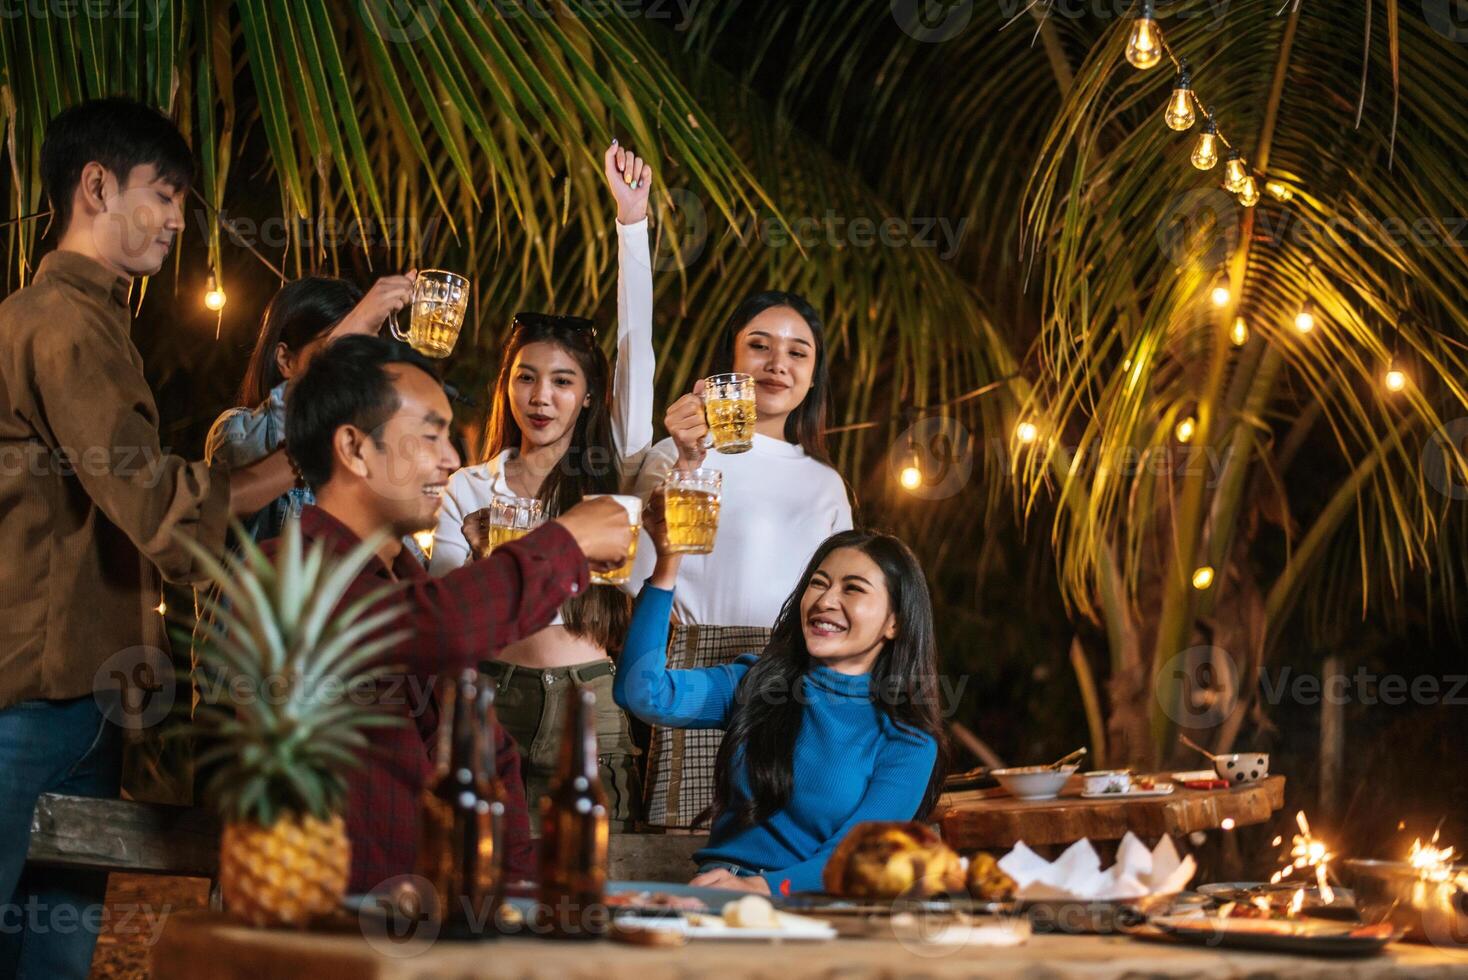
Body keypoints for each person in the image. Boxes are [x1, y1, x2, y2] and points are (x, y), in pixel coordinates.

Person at [0, 97, 296, 979]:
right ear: (96, 186)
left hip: (80, 699)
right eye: (163, 194)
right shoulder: (61, 325)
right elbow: (158, 506)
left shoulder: (84, 319)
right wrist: (301, 460)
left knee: (51, 955)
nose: (176, 219)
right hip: (33, 704)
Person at [272, 334, 634, 893]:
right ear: (354, 449)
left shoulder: (405, 583)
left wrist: (525, 891)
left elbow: (491, 765)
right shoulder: (293, 571)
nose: (452, 459)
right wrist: (565, 542)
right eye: (429, 436)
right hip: (342, 932)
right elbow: (428, 628)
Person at [428, 141, 655, 822]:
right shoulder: (470, 485)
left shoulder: (611, 480)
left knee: (591, 880)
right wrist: (469, 555)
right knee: (481, 869)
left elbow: (635, 354)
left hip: (592, 699)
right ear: (507, 386)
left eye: (563, 382)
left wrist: (632, 225)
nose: (541, 397)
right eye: (525, 377)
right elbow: (440, 613)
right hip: (491, 694)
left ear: (590, 396)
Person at [616, 519, 946, 896]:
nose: (825, 601)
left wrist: (761, 888)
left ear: (894, 623)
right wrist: (667, 565)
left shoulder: (908, 741)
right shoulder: (755, 684)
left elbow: (857, 856)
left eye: (852, 589)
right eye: (818, 583)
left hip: (813, 911)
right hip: (716, 898)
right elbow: (640, 692)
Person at [629, 291, 854, 826]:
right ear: (729, 362)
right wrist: (687, 460)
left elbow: (846, 608)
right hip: (692, 675)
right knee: (686, 848)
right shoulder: (674, 454)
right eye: (760, 346)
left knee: (779, 836)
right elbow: (638, 579)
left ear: (814, 375)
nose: (778, 364)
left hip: (793, 680)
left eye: (798, 353)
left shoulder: (825, 483)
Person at [206, 273, 417, 544]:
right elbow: (259, 452)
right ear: (285, 359)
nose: (349, 367)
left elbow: (411, 573)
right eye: (335, 349)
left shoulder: (367, 457)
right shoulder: (235, 431)